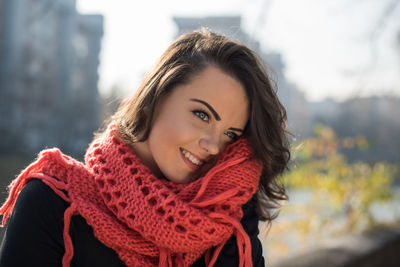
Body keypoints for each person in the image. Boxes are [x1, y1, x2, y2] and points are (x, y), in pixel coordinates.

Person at [0, 29, 290, 267]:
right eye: (202, 115)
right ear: (156, 96)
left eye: (230, 134)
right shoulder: (53, 203)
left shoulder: (223, 221)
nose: (215, 146)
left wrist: (239, 191)